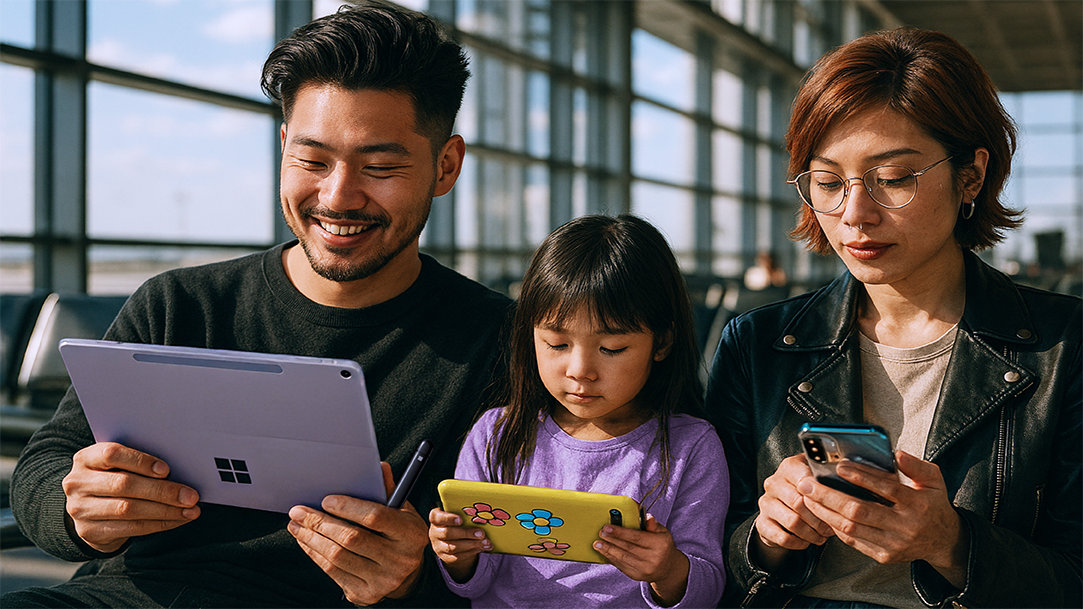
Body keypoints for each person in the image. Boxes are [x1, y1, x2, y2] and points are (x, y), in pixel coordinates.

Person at [6, 3, 511, 607]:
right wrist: (77, 508)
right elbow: (47, 463)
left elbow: (537, 566)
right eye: (311, 160)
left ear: (445, 165)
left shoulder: (506, 344)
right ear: (282, 147)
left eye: (379, 166)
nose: (337, 196)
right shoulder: (182, 305)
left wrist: (416, 582)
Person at [705, 27, 1081, 609]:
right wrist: (765, 540)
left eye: (894, 179)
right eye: (828, 182)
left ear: (971, 175)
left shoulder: (1065, 349)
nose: (855, 214)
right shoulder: (758, 346)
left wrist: (953, 545)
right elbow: (705, 561)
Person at [428, 214, 730, 608]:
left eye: (612, 349)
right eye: (556, 344)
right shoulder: (496, 434)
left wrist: (668, 569)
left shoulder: (689, 446)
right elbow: (473, 583)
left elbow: (708, 588)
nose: (580, 371)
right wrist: (457, 554)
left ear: (662, 342)